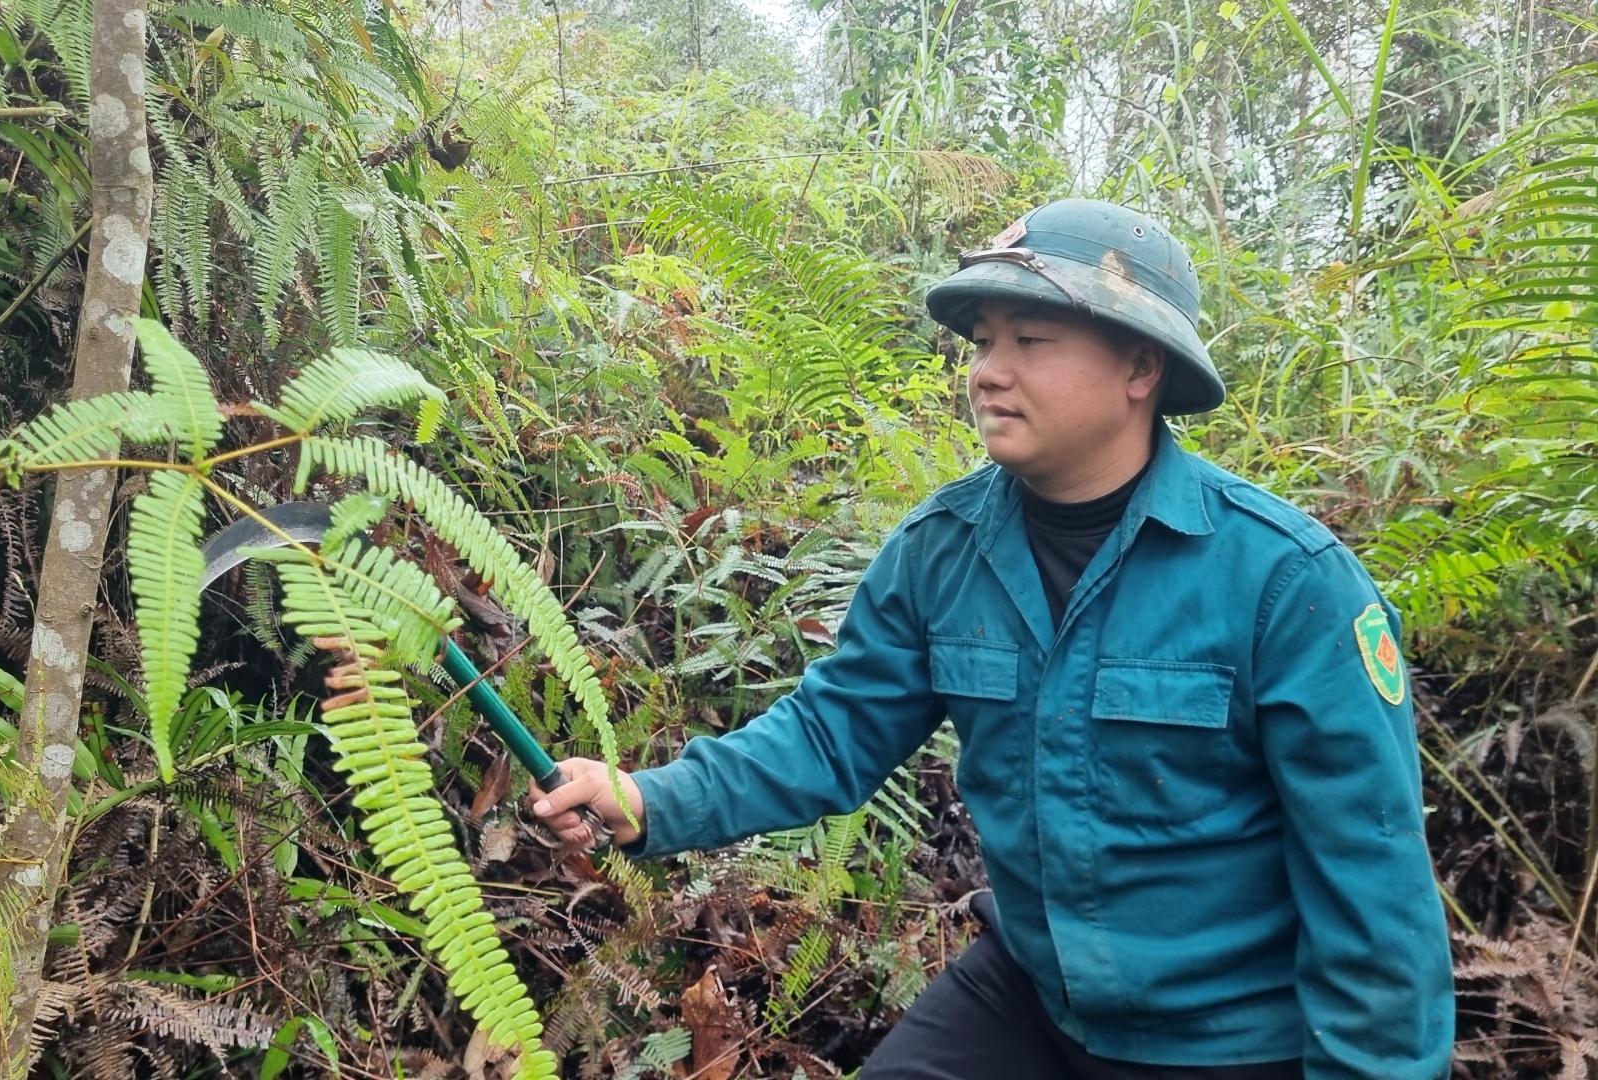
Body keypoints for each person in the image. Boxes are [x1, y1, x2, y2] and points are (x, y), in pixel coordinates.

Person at [529, 199, 1454, 1079]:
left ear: (1141, 368)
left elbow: (1371, 877)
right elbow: (831, 732)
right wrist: (649, 798)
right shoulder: (943, 550)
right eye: (982, 343)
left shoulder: (1286, 582)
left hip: (1231, 1032)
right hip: (1037, 995)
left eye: (1031, 341)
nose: (988, 372)